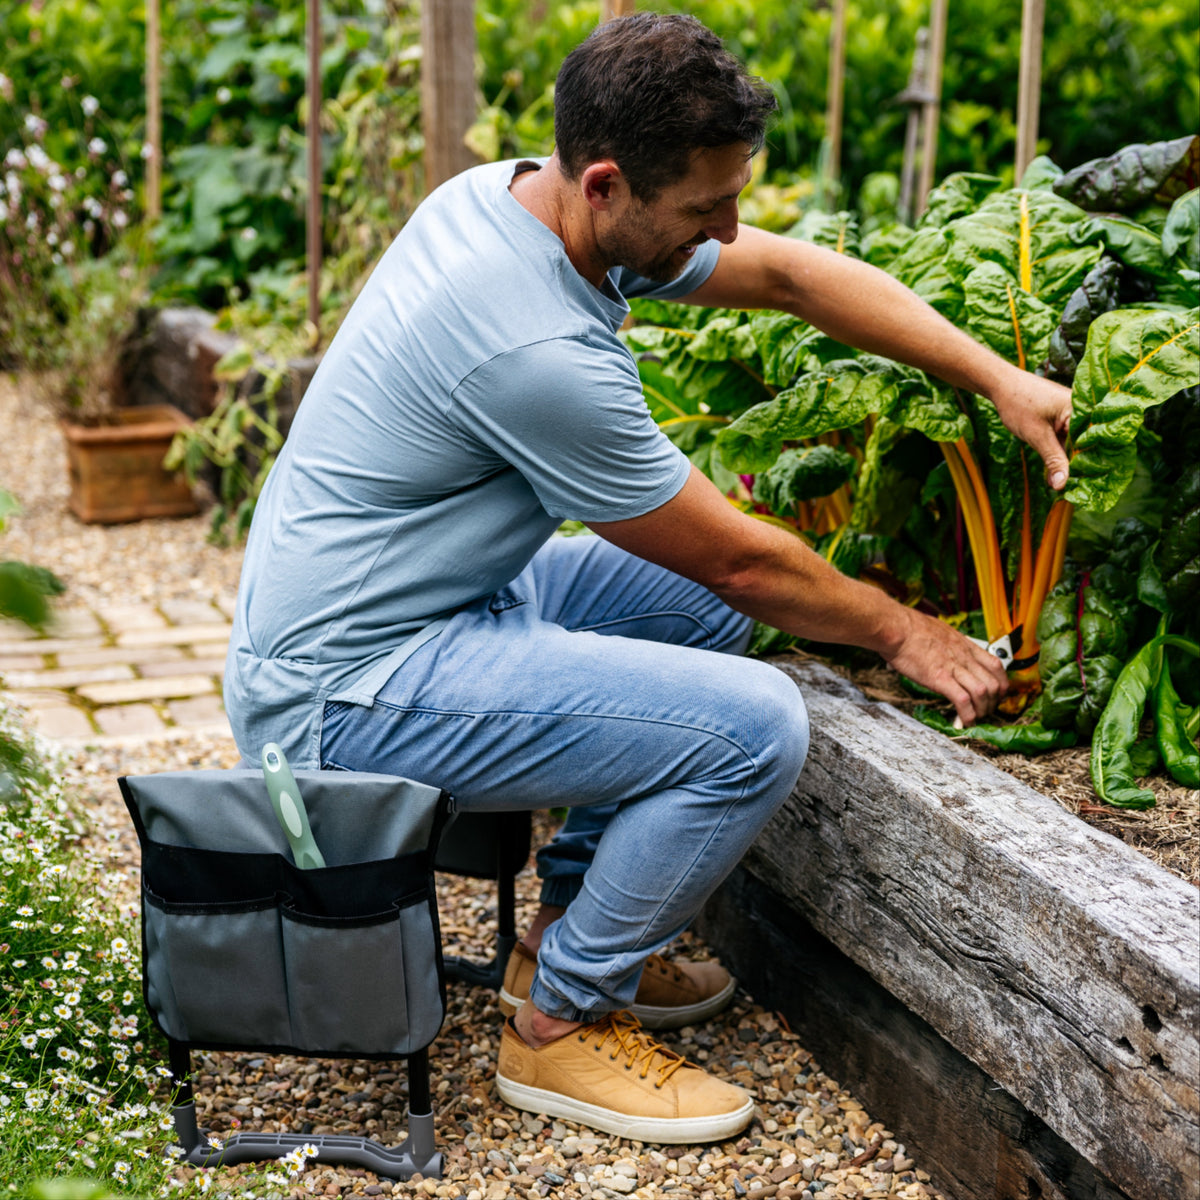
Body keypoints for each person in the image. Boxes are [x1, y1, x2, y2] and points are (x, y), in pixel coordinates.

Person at [224, 13, 1072, 1144]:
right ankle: (559, 1031)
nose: (727, 228)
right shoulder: (533, 348)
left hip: (435, 604)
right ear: (611, 184)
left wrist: (997, 375)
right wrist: (903, 633)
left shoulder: (513, 200)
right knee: (757, 725)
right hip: (348, 692)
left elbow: (787, 274)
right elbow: (736, 556)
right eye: (703, 211)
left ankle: (561, 931)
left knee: (704, 613)